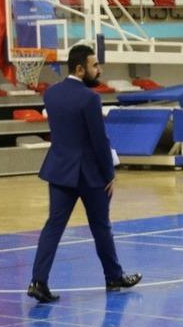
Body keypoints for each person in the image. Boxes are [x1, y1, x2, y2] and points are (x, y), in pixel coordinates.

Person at [27, 44, 141, 303]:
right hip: (90, 174)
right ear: (80, 69)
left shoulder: (51, 94)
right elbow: (98, 140)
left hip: (59, 171)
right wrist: (109, 173)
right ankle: (113, 276)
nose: (98, 70)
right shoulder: (90, 98)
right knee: (101, 227)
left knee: (53, 227)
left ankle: (38, 280)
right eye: (94, 65)